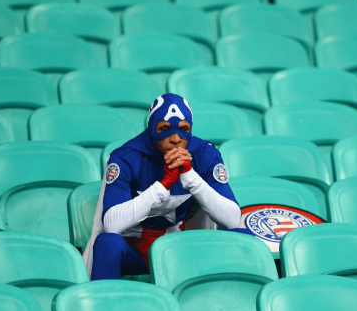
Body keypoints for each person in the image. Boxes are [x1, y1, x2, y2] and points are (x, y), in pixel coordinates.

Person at [83, 93, 243, 280]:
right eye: (164, 129)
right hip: (133, 248)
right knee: (107, 243)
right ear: (152, 129)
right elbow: (111, 224)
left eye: (184, 129)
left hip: (179, 250)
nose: (175, 138)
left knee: (243, 238)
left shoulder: (204, 154)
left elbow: (233, 219)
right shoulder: (126, 156)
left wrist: (191, 178)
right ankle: (103, 306)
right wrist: (162, 185)